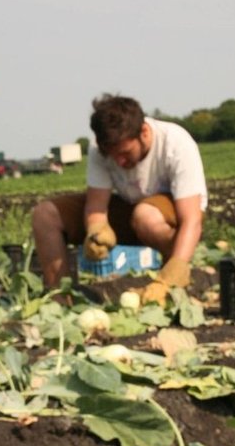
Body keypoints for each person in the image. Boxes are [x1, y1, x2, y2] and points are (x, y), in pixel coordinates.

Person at [31, 94, 206, 304]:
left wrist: (171, 274)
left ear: (143, 132)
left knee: (145, 216)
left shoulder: (175, 143)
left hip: (170, 220)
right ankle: (60, 300)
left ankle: (172, 283)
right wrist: (96, 229)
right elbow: (96, 204)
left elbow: (192, 221)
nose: (119, 161)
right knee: (45, 215)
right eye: (112, 155)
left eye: (125, 153)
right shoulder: (101, 150)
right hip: (130, 209)